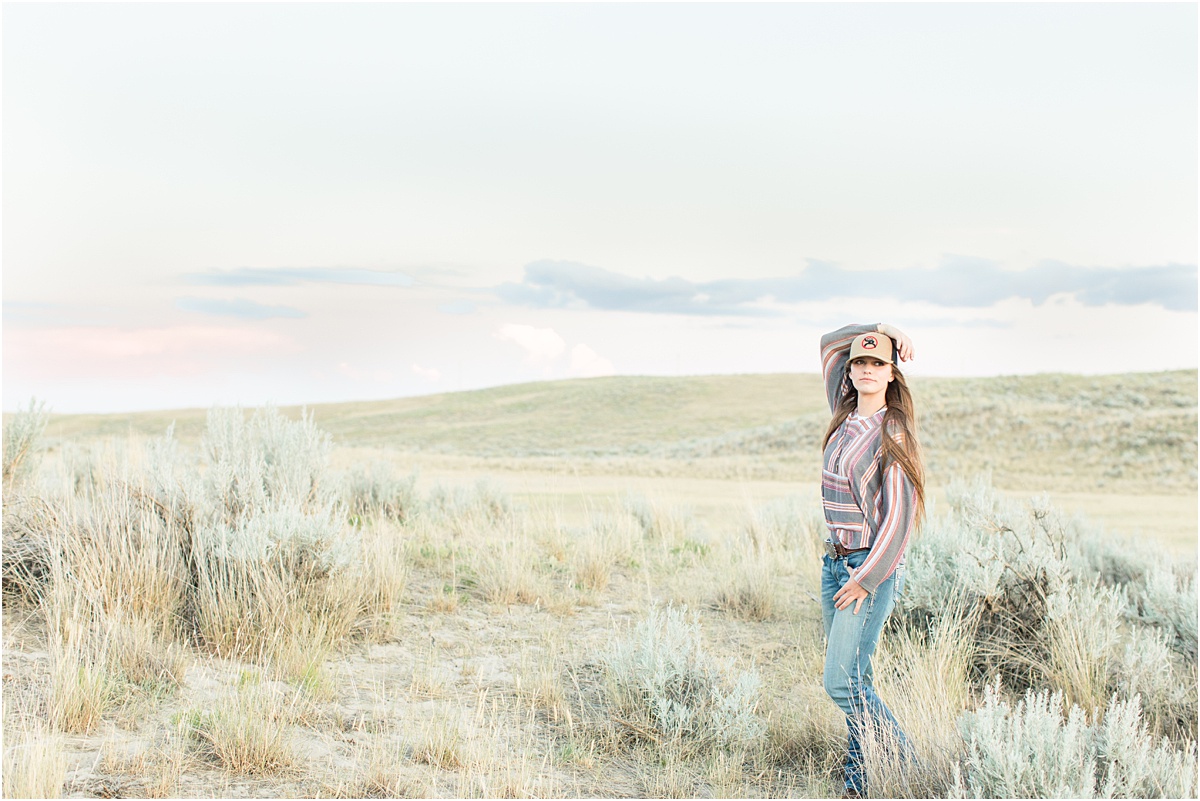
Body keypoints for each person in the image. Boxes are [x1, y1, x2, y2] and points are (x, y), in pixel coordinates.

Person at [818, 322, 925, 799]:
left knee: (841, 685)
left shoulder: (892, 431)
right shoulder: (843, 417)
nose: (865, 369)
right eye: (859, 362)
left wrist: (866, 579)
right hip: (835, 564)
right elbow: (828, 345)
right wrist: (880, 329)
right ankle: (861, 783)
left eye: (877, 362)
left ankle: (911, 769)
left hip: (867, 570)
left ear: (891, 374)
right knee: (856, 679)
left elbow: (900, 517)